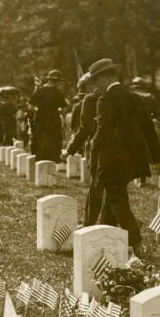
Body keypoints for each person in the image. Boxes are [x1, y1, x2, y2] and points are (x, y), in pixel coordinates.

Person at [88, 58, 160, 255]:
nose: (95, 86)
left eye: (96, 81)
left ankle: (137, 242)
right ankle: (105, 241)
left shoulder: (104, 100)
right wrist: (159, 159)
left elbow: (102, 133)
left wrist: (92, 150)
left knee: (117, 201)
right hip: (131, 160)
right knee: (111, 201)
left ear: (106, 77)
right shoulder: (135, 98)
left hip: (111, 160)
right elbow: (149, 131)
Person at [63, 73, 107, 226]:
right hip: (117, 150)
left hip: (96, 148)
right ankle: (101, 221)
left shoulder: (89, 101)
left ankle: (93, 222)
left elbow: (84, 129)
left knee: (96, 185)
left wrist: (69, 150)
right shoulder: (112, 96)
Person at [29, 70, 68, 162]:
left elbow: (30, 106)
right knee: (53, 144)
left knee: (40, 142)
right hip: (53, 121)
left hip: (40, 120)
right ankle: (51, 172)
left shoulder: (39, 91)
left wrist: (38, 110)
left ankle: (40, 169)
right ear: (56, 81)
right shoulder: (58, 93)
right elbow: (63, 109)